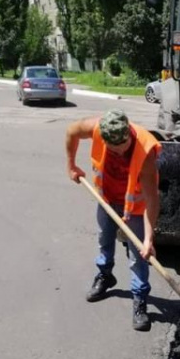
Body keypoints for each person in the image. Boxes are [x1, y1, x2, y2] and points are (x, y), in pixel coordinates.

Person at [65, 109, 161, 332]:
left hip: (135, 207)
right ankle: (105, 276)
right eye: (113, 148)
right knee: (104, 240)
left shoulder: (145, 149)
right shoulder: (96, 128)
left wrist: (149, 238)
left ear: (128, 134)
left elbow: (151, 198)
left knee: (138, 255)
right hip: (106, 198)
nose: (118, 152)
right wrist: (71, 165)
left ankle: (139, 299)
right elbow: (71, 131)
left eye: (122, 147)